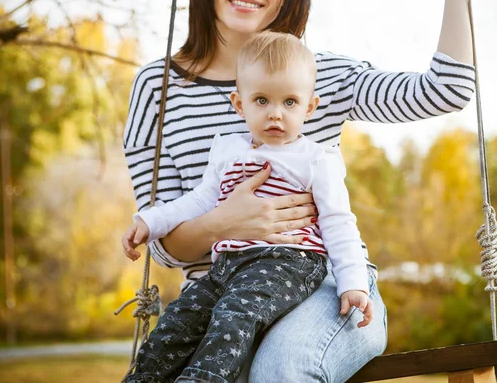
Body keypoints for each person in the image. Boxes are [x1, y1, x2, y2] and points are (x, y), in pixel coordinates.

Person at [122, 0, 480, 381]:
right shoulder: (157, 88)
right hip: (218, 293)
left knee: (283, 370)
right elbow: (163, 246)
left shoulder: (318, 78)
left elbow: (447, 89)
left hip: (325, 287)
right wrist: (229, 220)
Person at [122, 31, 373, 383]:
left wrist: (354, 283)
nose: (275, 114)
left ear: (309, 107)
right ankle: (142, 377)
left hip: (289, 261)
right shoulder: (227, 151)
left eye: (289, 102)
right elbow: (199, 200)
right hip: (228, 266)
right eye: (261, 101)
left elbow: (339, 223)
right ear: (239, 104)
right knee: (181, 317)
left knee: (235, 314)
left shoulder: (317, 158)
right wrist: (150, 221)